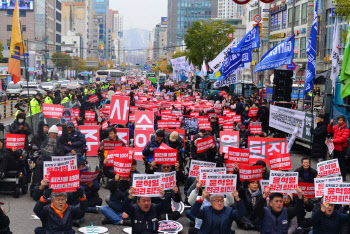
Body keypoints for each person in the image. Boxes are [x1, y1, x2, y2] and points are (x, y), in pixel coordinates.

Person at [327, 115, 349, 181]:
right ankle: (336, 175)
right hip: (335, 147)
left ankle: (343, 176)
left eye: (341, 120)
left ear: (344, 121)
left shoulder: (346, 129)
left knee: (342, 162)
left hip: (342, 148)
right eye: (338, 120)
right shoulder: (336, 127)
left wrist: (334, 140)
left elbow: (343, 139)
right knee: (335, 162)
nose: (339, 121)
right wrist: (330, 124)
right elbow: (330, 131)